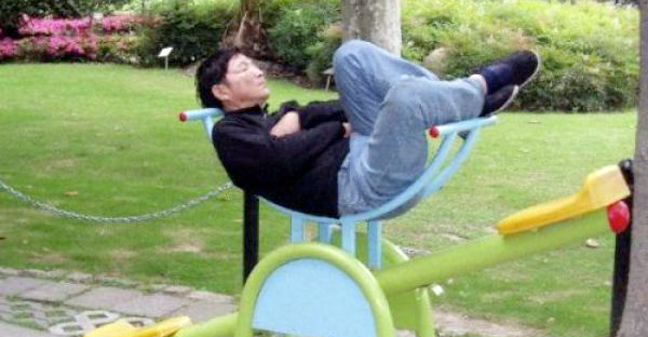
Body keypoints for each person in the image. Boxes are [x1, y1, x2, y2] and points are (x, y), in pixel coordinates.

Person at [195, 40, 540, 218]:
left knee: (351, 55)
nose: (257, 71)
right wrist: (336, 130)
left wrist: (299, 117)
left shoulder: (276, 117)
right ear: (221, 91)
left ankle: (458, 102)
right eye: (243, 69)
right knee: (404, 97)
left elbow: (336, 105)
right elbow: (279, 159)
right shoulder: (230, 135)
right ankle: (479, 85)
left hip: (366, 153)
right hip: (360, 188)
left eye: (253, 65)